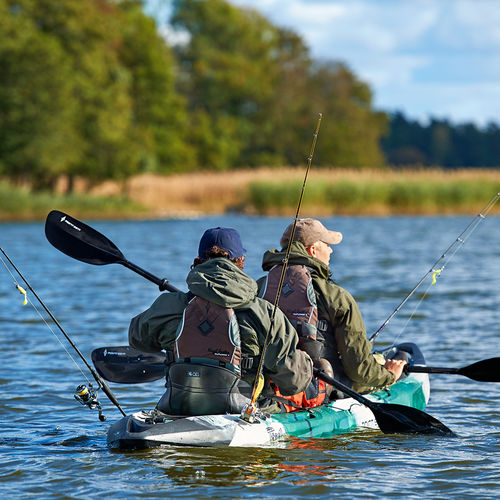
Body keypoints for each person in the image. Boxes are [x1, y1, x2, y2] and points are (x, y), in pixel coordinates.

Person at [128, 226, 313, 416]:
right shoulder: (266, 313)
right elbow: (293, 382)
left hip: (178, 405)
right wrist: (308, 361)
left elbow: (136, 339)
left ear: (197, 261)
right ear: (241, 261)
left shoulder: (169, 305)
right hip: (243, 411)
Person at [259, 218, 406, 395]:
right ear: (312, 250)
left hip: (267, 385)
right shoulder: (337, 297)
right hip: (323, 386)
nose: (331, 250)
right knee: (402, 358)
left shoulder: (258, 288)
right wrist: (390, 376)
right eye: (327, 244)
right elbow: (359, 370)